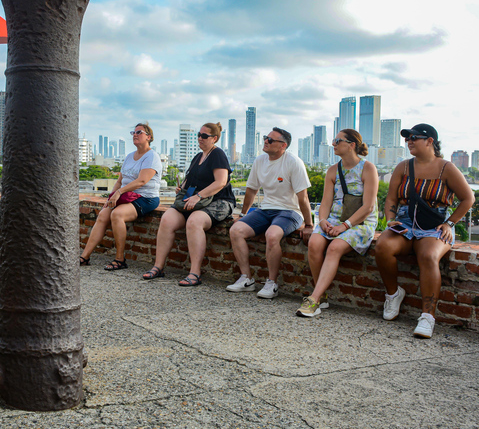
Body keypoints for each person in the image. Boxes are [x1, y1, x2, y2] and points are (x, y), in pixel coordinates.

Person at [374, 123, 474, 338]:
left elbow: (468, 198)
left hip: (434, 223)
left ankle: (427, 316)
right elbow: (391, 197)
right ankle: (393, 294)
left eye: (414, 137)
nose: (409, 141)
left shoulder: (446, 168)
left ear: (430, 141)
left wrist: (450, 223)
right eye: (407, 138)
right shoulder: (403, 167)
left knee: (428, 256)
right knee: (382, 246)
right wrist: (390, 219)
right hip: (405, 221)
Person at [143, 123, 236, 286]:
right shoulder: (198, 157)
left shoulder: (218, 154)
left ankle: (195, 273)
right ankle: (158, 266)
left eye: (204, 136)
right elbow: (190, 179)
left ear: (214, 138)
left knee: (194, 222)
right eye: (198, 135)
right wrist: (183, 188)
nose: (200, 138)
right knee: (167, 219)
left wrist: (198, 196)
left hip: (218, 201)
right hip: (194, 200)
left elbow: (221, 182)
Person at [298, 129, 378, 317]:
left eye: (337, 140)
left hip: (360, 222)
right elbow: (326, 202)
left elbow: (368, 206)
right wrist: (323, 221)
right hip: (334, 219)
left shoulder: (368, 168)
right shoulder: (333, 170)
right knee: (315, 243)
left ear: (351, 145)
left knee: (334, 248)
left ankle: (314, 299)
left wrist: (345, 226)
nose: (333, 144)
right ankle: (322, 296)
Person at [226, 127, 312, 299]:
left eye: (271, 140)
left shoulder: (293, 162)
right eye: (266, 138)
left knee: (272, 235)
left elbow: (303, 198)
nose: (266, 141)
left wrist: (309, 225)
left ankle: (271, 283)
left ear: (283, 146)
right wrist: (243, 215)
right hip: (266, 209)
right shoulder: (260, 161)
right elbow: (251, 190)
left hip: (290, 211)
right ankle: (246, 278)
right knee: (236, 230)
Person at [79, 123, 162, 270]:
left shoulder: (152, 156)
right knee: (104, 214)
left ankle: (120, 259)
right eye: (133, 132)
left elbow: (142, 181)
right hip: (126, 195)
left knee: (117, 214)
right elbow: (119, 181)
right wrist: (110, 198)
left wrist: (119, 193)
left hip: (146, 197)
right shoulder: (129, 157)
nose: (135, 135)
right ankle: (85, 256)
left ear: (149, 137)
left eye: (139, 132)